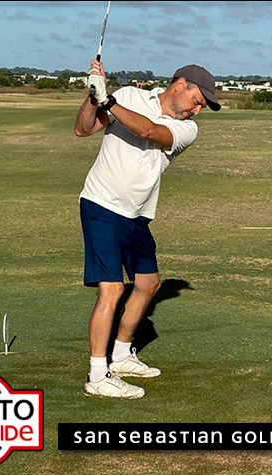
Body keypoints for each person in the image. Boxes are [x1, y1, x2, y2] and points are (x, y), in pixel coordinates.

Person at [74, 59, 221, 398]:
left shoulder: (187, 130)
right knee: (112, 290)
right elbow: (83, 129)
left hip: (138, 215)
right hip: (101, 204)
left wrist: (108, 100)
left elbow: (150, 132)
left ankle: (121, 356)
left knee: (148, 284)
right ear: (180, 85)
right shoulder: (129, 96)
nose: (197, 111)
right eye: (198, 101)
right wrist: (93, 97)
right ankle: (97, 376)